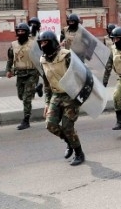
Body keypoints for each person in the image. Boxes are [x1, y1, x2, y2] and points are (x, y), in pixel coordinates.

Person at [38, 30, 85, 166]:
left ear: (52, 42)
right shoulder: (43, 60)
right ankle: (69, 142)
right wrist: (47, 103)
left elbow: (81, 73)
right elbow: (46, 84)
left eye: (45, 42)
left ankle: (79, 153)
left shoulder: (66, 56)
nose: (43, 45)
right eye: (41, 43)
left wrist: (80, 96)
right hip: (56, 95)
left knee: (67, 127)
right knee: (50, 125)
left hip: (71, 95)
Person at [6, 23, 40, 130]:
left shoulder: (33, 43)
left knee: (26, 98)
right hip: (20, 74)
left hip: (32, 73)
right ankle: (35, 89)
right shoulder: (13, 45)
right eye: (18, 31)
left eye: (22, 31)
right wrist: (8, 70)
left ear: (27, 32)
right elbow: (10, 59)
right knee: (21, 96)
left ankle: (26, 120)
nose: (20, 33)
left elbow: (40, 56)